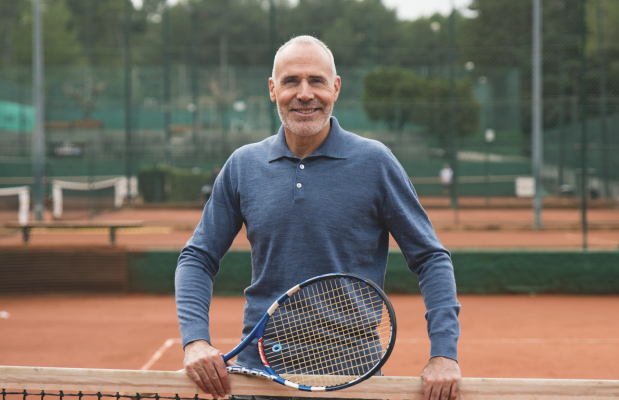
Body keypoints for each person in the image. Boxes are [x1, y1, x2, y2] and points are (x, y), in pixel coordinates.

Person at [175, 35, 461, 400]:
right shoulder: (243, 165)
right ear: (272, 89)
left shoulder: (375, 162)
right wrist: (196, 341)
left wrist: (443, 354)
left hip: (354, 376)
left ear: (336, 88)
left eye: (317, 81)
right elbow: (197, 257)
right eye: (291, 81)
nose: (305, 93)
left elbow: (431, 258)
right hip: (259, 375)